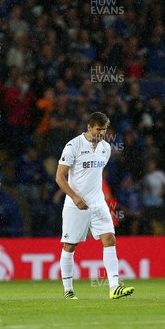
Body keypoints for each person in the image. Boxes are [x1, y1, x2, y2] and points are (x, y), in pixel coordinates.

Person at [56, 112, 135, 300]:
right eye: (98, 130)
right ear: (89, 127)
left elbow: (95, 174)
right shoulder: (73, 146)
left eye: (104, 130)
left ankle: (114, 287)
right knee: (70, 245)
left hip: (98, 203)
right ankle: (68, 290)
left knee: (110, 239)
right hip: (75, 204)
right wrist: (75, 197)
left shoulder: (106, 148)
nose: (101, 133)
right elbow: (60, 176)